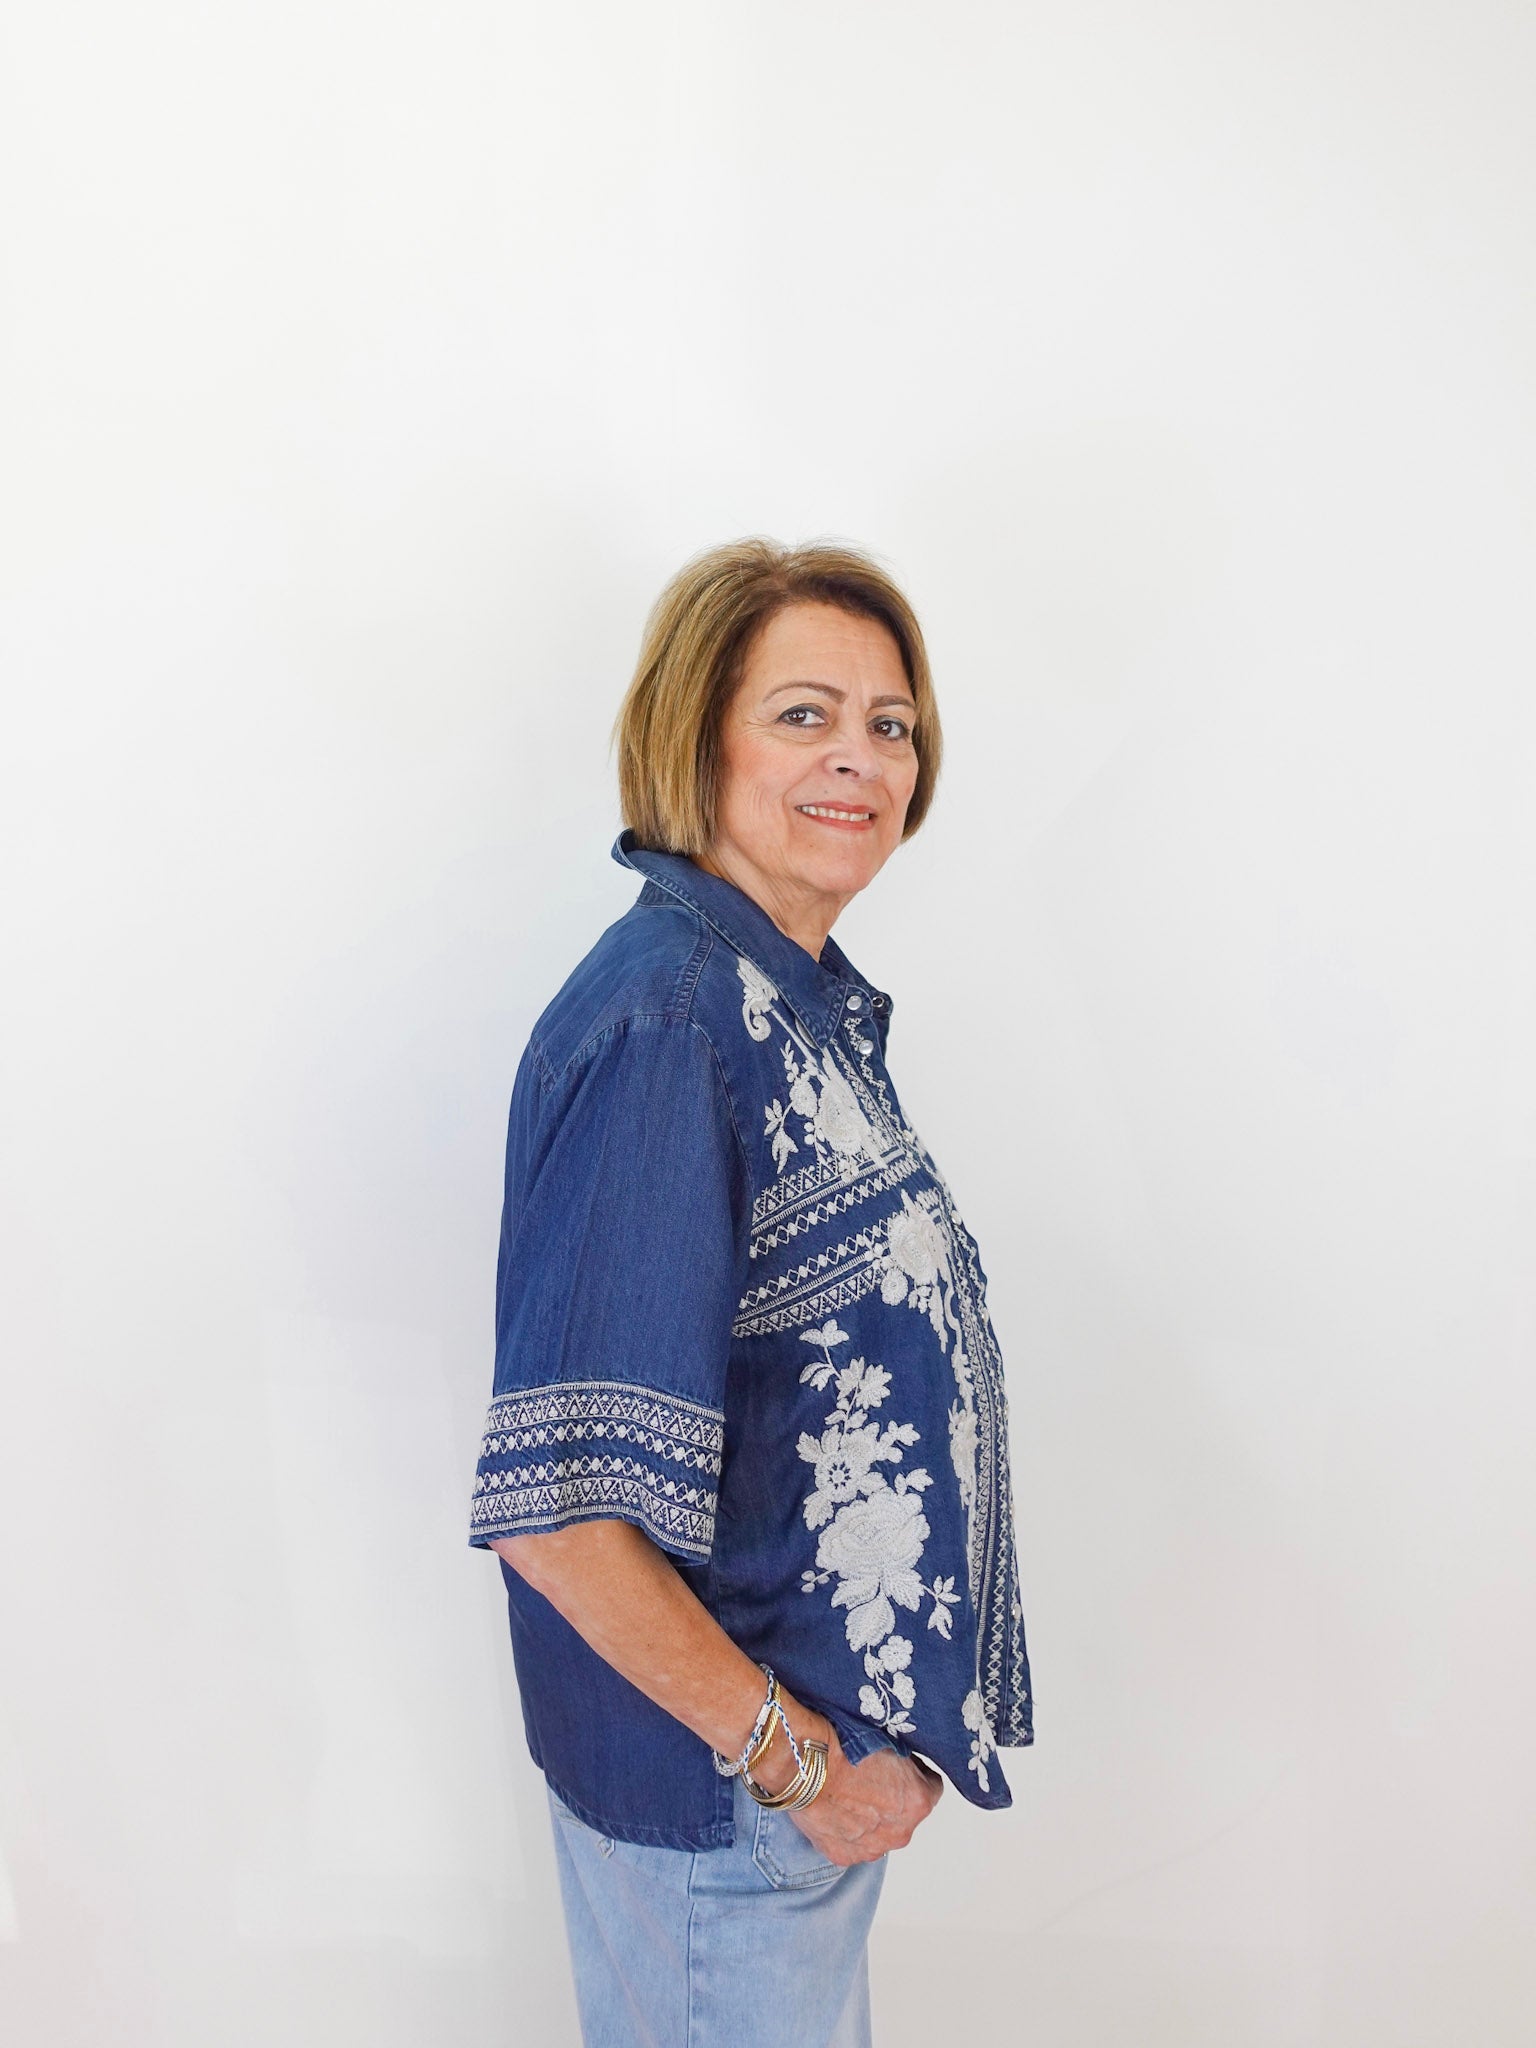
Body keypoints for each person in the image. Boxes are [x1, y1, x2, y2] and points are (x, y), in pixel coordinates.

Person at [467, 537, 1033, 2047]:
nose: (858, 757)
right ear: (695, 731)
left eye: (890, 724)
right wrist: (801, 1771)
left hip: (775, 1820)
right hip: (735, 1819)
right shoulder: (674, 1022)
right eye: (804, 715)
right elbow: (562, 1517)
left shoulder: (778, 1002)